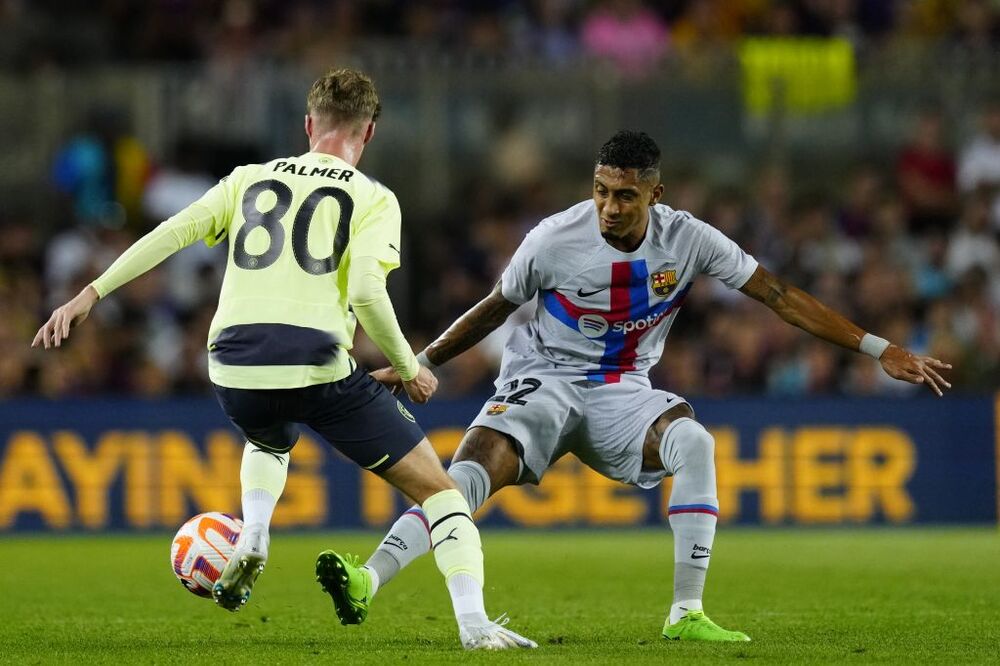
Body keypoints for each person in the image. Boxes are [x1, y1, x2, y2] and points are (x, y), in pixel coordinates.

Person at [328, 130, 952, 643]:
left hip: (623, 390)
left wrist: (879, 348)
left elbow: (780, 297)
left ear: (656, 193)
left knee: (697, 444)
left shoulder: (691, 240)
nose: (609, 207)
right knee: (466, 473)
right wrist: (417, 362)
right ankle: (369, 581)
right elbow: (494, 308)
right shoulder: (552, 239)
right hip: (542, 377)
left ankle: (686, 614)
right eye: (600, 192)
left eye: (625, 196)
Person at [31, 68, 535, 651]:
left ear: (307, 124)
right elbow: (369, 294)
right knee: (443, 495)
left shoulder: (249, 179)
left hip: (230, 366)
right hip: (315, 362)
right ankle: (474, 627)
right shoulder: (372, 197)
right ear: (368, 132)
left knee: (268, 438)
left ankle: (256, 532)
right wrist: (410, 364)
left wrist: (89, 293)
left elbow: (172, 232)